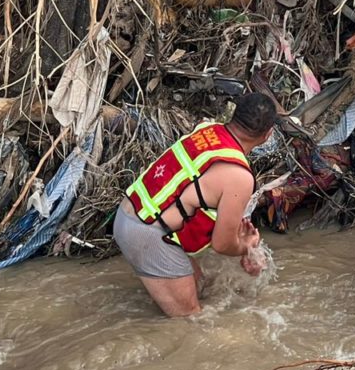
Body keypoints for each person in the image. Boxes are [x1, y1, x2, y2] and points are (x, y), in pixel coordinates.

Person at [113, 93, 277, 317]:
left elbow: (190, 193)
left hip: (128, 213)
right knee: (193, 320)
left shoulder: (206, 130)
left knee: (200, 283)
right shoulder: (239, 177)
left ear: (233, 115)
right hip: (146, 235)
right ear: (268, 135)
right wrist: (247, 246)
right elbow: (221, 244)